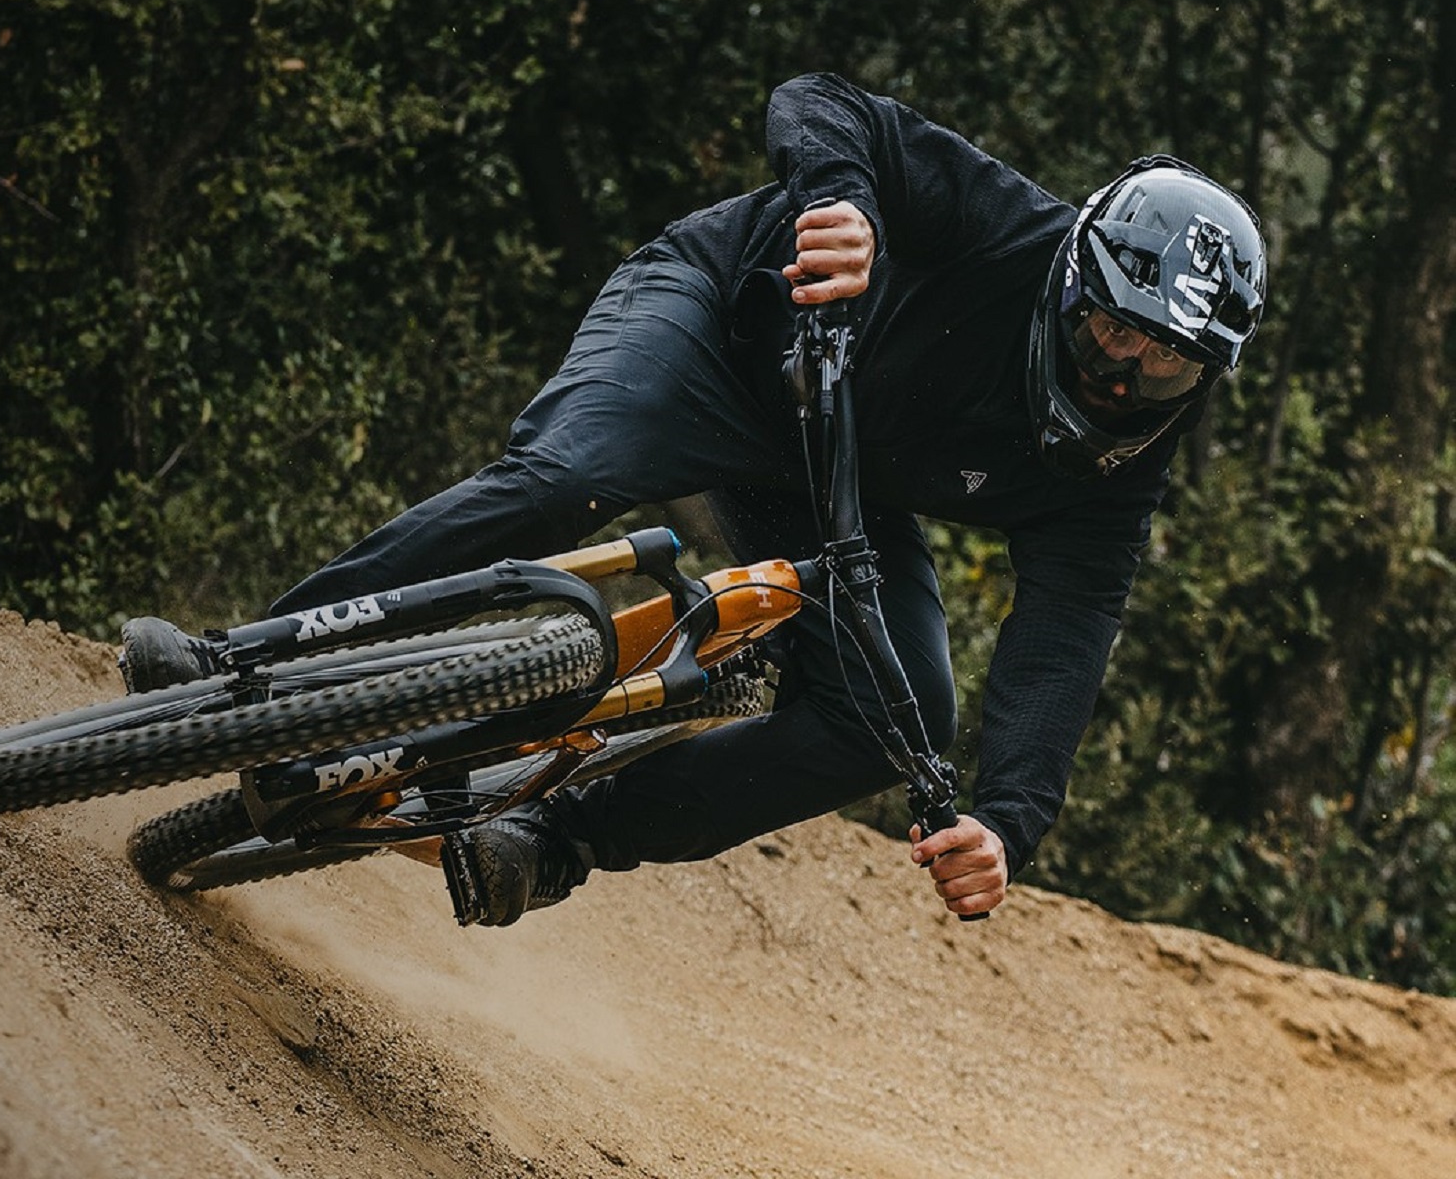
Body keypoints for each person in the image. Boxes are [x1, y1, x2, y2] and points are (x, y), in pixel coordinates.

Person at [120, 73, 1268, 926]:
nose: (1123, 369)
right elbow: (830, 105)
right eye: (1113, 327)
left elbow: (1062, 640)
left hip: (831, 471)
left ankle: (549, 842)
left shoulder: (1114, 475)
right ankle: (240, 666)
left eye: (1162, 361)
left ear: (1202, 371)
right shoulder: (1006, 229)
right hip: (719, 324)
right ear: (1072, 278)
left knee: (892, 713)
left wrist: (1008, 824)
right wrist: (845, 205)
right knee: (566, 477)